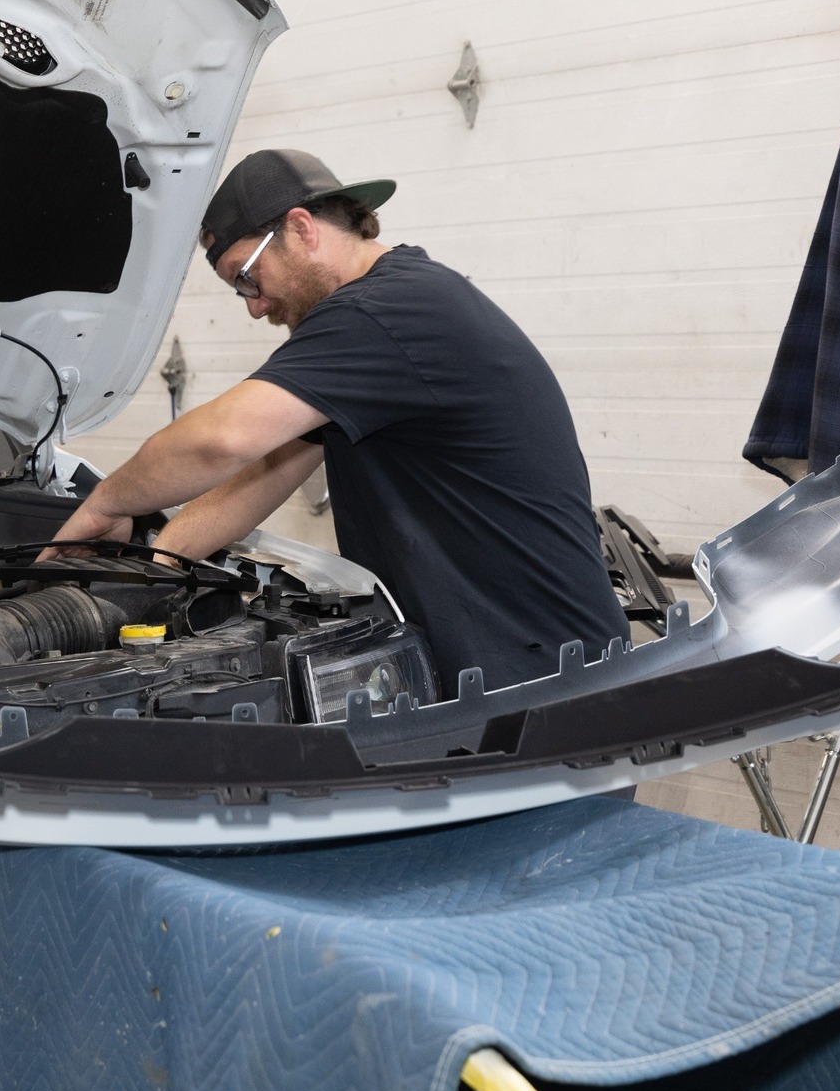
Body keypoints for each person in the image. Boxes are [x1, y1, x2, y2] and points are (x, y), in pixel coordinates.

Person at [50, 149, 627, 691]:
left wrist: (105, 504)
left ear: (301, 229)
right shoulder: (389, 320)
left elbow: (220, 441)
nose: (253, 305)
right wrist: (154, 569)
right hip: (518, 666)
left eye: (246, 277)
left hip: (541, 682)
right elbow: (266, 469)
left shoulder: (380, 314)